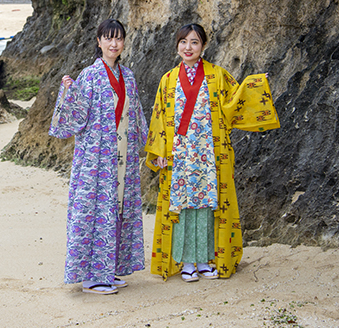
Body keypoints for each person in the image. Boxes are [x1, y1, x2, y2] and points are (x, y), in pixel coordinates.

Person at [144, 23, 280, 282]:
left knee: (209, 205)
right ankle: (186, 262)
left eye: (194, 42)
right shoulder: (168, 79)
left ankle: (206, 259)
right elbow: (159, 116)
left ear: (204, 46)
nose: (188, 47)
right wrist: (159, 150)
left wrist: (256, 85)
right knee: (182, 205)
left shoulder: (217, 75)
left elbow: (235, 101)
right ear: (177, 45)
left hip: (209, 152)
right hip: (179, 154)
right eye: (183, 42)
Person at [49, 19, 148, 295]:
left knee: (117, 208)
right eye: (108, 38)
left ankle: (108, 269)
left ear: (124, 42)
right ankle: (91, 276)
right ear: (99, 42)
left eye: (118, 39)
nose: (113, 44)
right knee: (94, 209)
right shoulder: (90, 75)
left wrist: (149, 144)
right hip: (96, 156)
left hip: (123, 153)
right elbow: (76, 116)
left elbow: (136, 112)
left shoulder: (128, 76)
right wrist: (69, 91)